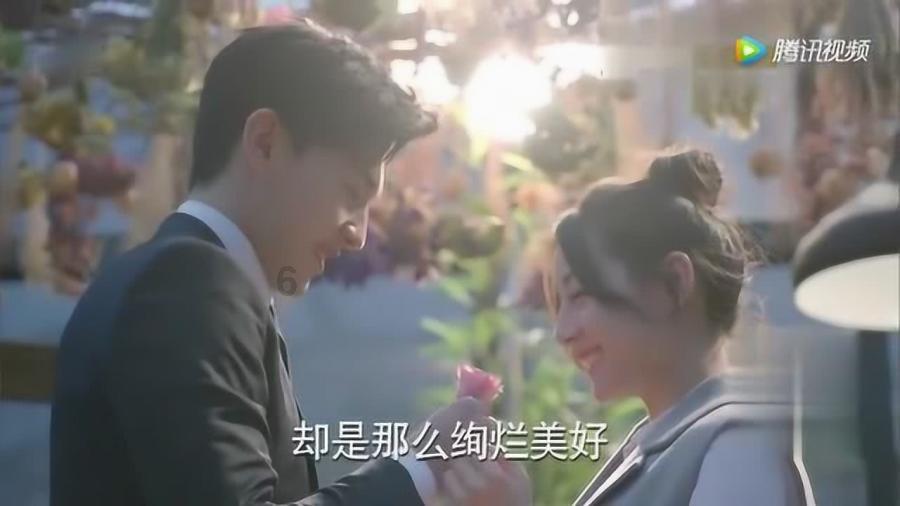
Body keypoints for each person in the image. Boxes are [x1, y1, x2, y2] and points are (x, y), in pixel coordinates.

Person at [50, 20, 528, 506]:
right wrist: (422, 469)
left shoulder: (177, 278)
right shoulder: (188, 283)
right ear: (265, 142)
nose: (359, 235)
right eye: (351, 193)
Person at [546, 151, 807, 505]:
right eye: (558, 304)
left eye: (578, 295)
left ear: (674, 282)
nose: (563, 331)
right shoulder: (662, 442)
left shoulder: (738, 448)